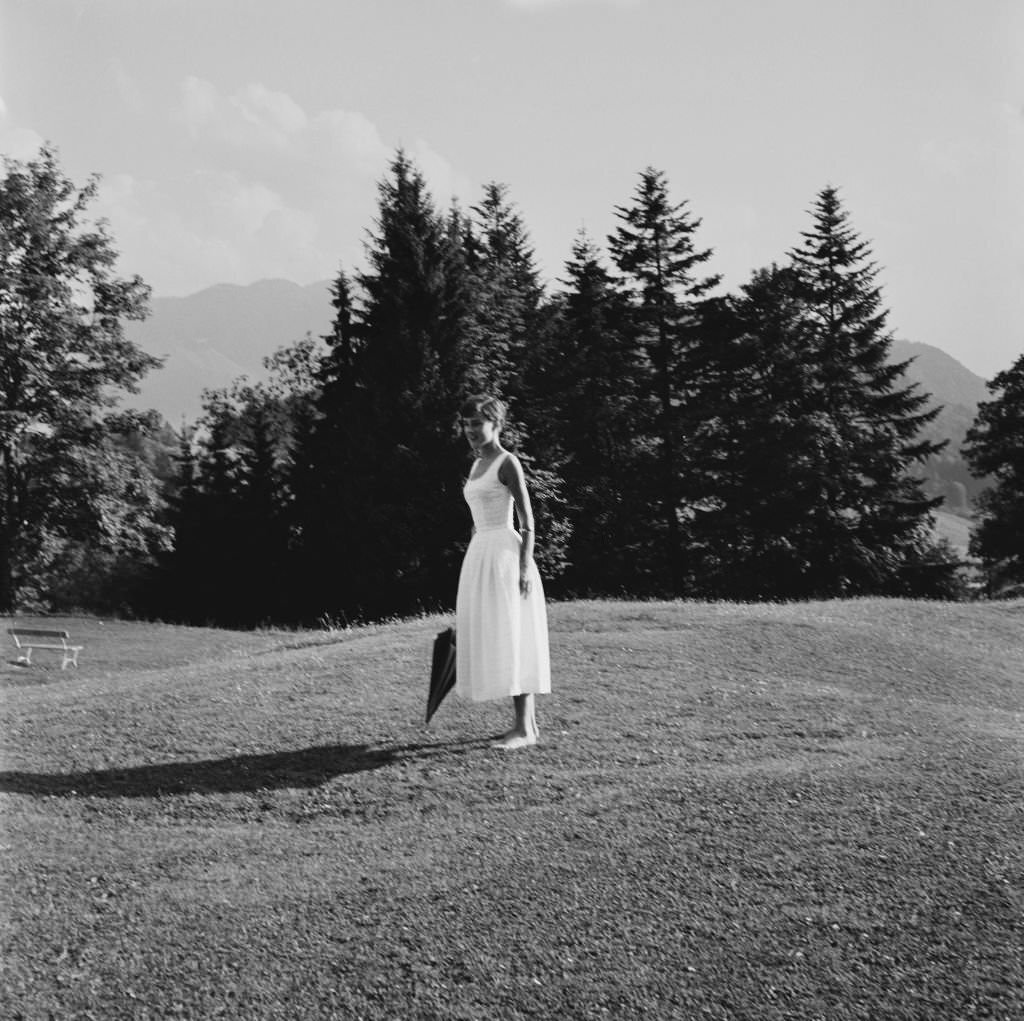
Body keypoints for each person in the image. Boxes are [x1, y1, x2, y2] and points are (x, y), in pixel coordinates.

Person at [454, 394, 551, 749]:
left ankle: (524, 730)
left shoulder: (507, 462)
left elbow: (528, 523)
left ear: (495, 424)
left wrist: (524, 567)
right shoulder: (477, 464)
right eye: (466, 424)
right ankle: (526, 726)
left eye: (477, 423)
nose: (470, 431)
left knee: (515, 635)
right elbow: (476, 518)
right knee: (499, 634)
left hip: (506, 556)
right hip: (481, 554)